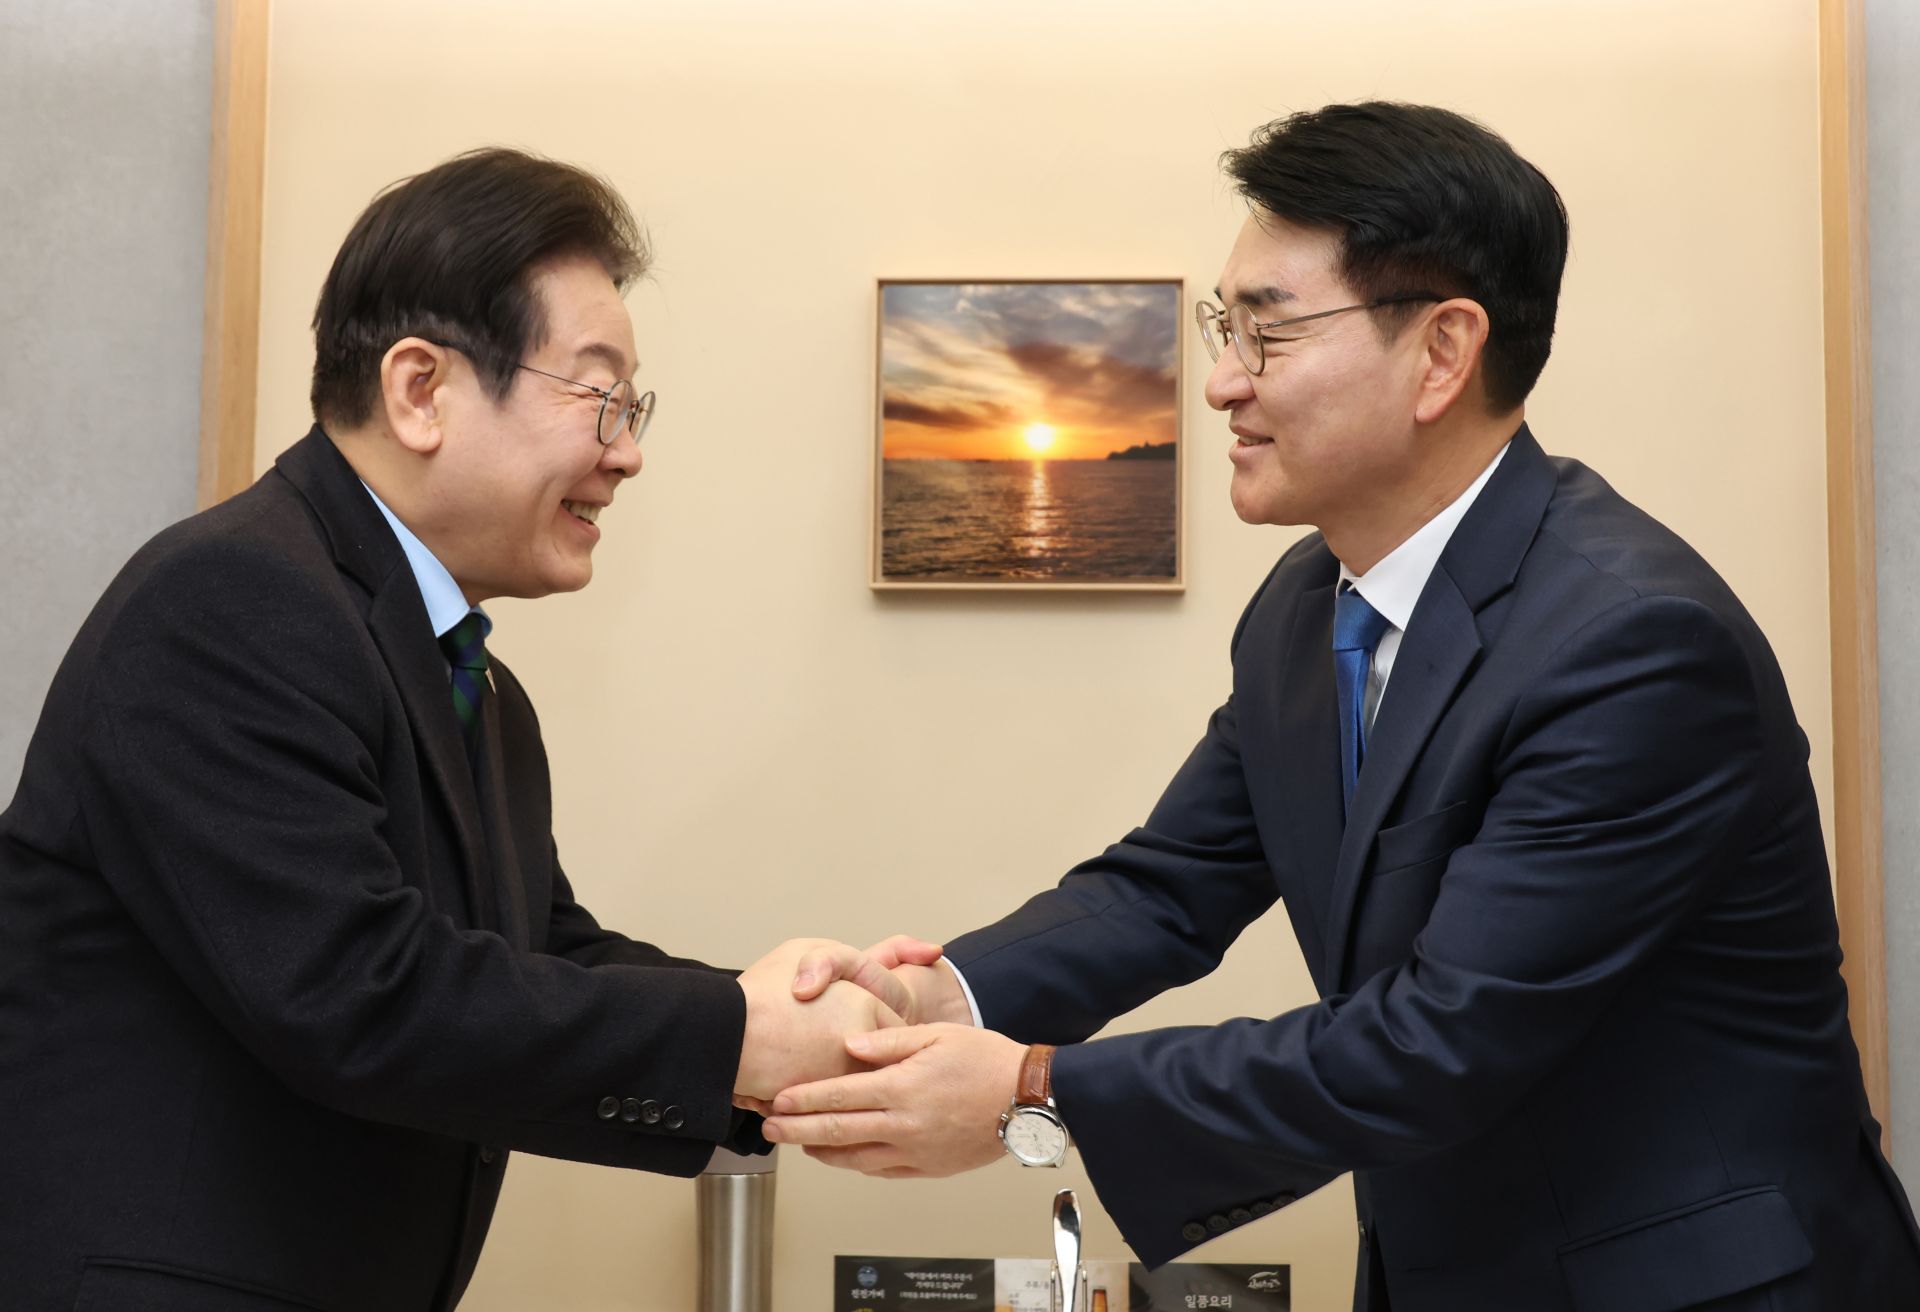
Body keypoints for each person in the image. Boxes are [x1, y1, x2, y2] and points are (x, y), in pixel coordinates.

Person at [769, 103, 1920, 1311]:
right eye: (1226, 330)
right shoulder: (1304, 605)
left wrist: (1030, 1091)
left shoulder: (1635, 645)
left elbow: (1438, 1040)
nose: (1221, 382)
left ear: (1442, 352)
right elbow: (1168, 887)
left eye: (1267, 334)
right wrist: (939, 995)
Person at [0, 148, 919, 1312]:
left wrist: (782, 1021)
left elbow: (541, 956)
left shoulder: (476, 683)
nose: (628, 452)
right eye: (599, 396)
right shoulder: (231, 601)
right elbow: (358, 990)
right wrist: (737, 1034)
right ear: (421, 390)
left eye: (632, 408)